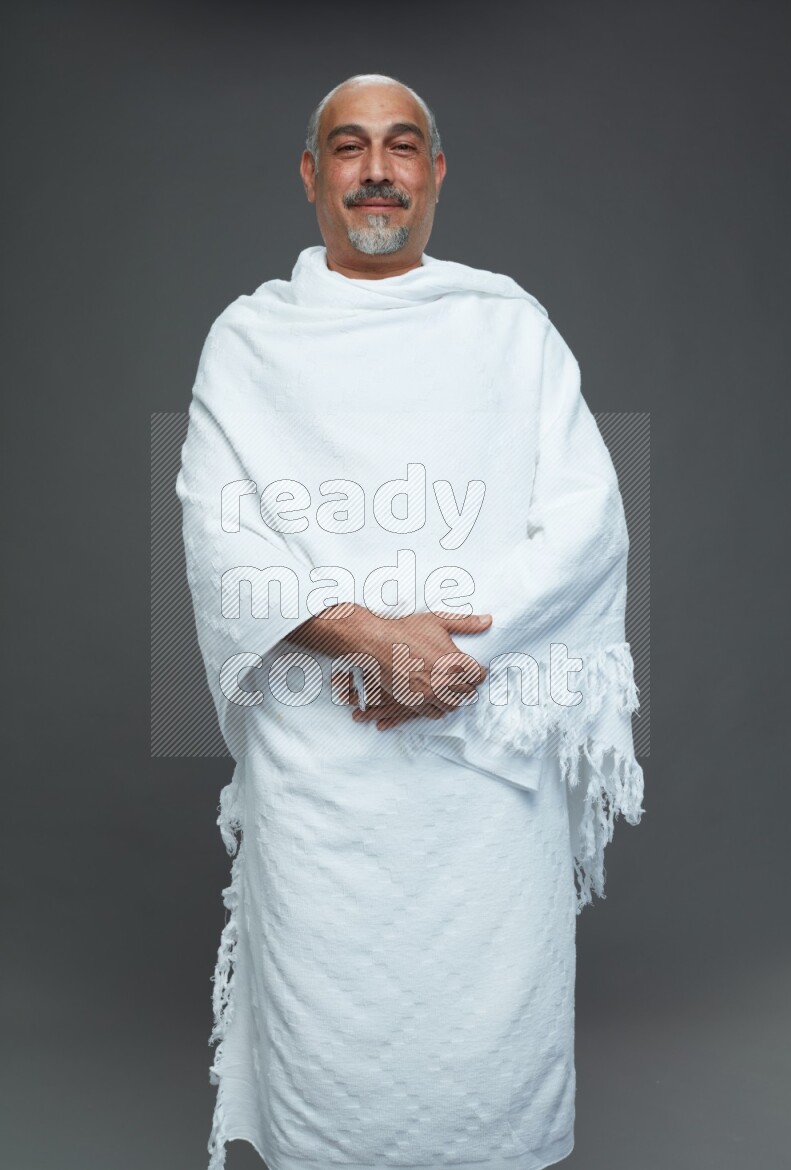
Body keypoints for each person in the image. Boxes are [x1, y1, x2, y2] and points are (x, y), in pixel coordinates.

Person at [176, 72, 645, 1170]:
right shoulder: (250, 343)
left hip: (484, 774)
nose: (375, 171)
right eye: (348, 148)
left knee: (489, 1053)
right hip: (318, 773)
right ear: (311, 176)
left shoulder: (507, 329)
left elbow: (586, 524)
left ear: (434, 175)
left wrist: (448, 657)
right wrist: (363, 636)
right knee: (334, 1052)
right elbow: (219, 535)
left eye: (400, 148)